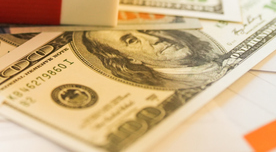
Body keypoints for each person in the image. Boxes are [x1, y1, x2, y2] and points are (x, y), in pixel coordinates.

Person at [77, 30, 228, 89]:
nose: (155, 38)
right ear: (129, 59)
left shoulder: (211, 54)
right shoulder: (172, 85)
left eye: (146, 31)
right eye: (131, 41)